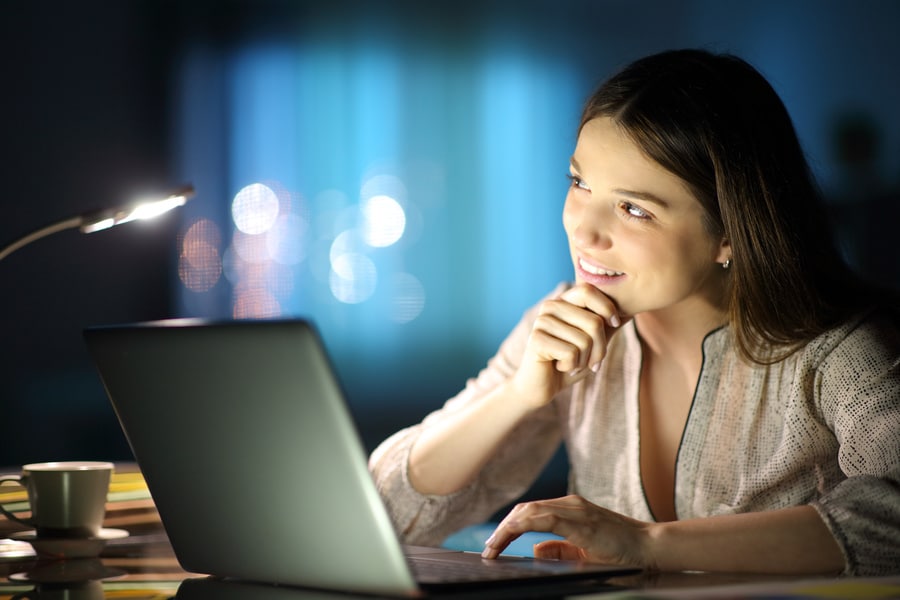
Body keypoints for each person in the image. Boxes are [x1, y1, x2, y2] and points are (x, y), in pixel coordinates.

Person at [368, 49, 900, 576]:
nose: (585, 230)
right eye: (579, 183)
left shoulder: (840, 355)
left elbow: (890, 522)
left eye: (634, 209)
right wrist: (515, 397)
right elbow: (387, 515)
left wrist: (645, 543)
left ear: (730, 233)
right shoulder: (560, 325)